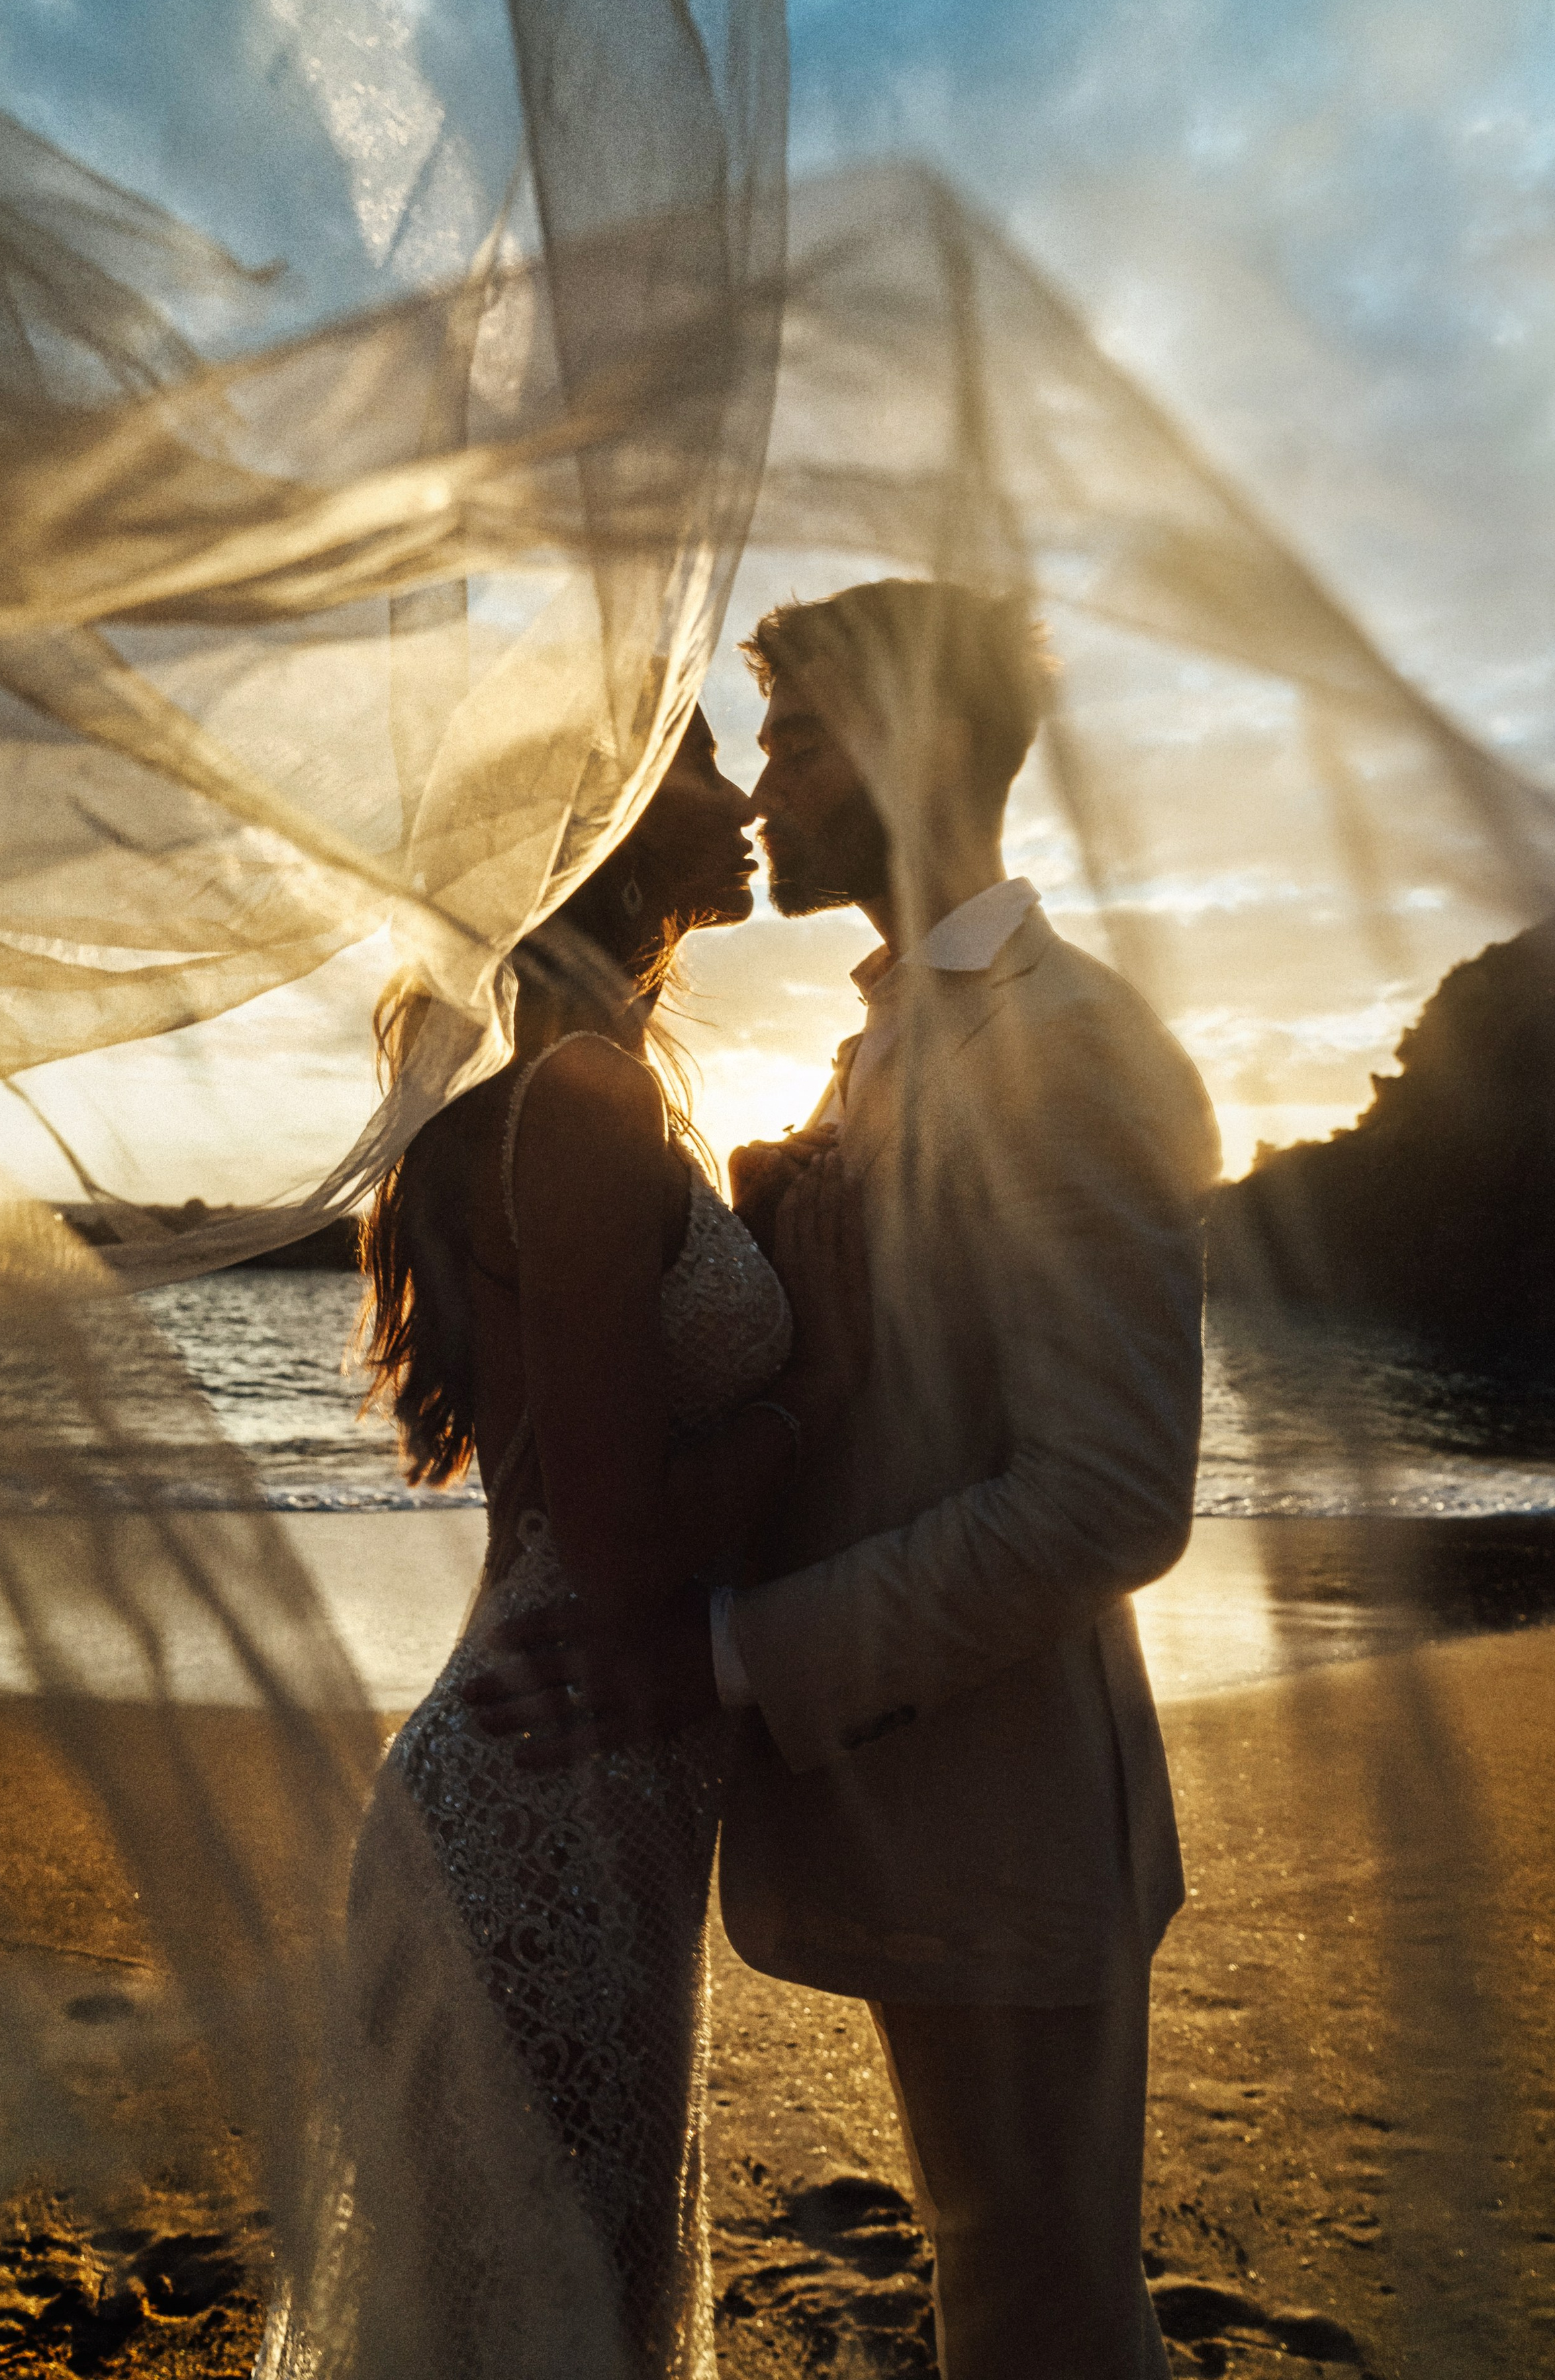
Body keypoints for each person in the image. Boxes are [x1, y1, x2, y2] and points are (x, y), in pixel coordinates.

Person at [470, 581, 1221, 2380]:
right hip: (927, 1794)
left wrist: (726, 1654)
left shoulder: (1063, 1044)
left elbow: (1112, 1497)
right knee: (997, 2286)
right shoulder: (893, 1030)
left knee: (1040, 2308)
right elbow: (906, 1392)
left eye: (795, 742)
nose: (764, 789)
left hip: (1018, 1816)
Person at [258, 708, 869, 2380]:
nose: (743, 795)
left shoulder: (573, 1097)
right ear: (588, 824)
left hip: (575, 1784)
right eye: (697, 761)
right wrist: (813, 1371)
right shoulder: (580, 1098)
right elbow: (610, 1563)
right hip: (545, 1800)